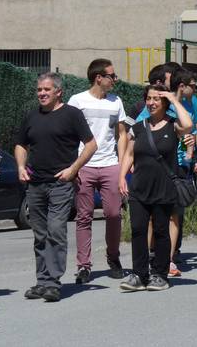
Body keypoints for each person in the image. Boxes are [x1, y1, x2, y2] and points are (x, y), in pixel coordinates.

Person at [16, 73, 98, 302]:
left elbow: (91, 145)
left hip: (60, 184)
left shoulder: (72, 115)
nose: (41, 93)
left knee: (55, 230)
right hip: (35, 184)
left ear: (58, 92)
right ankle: (42, 281)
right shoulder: (31, 116)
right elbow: (21, 144)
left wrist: (73, 170)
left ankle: (53, 282)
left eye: (46, 90)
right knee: (40, 234)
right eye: (39, 89)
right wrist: (21, 166)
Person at [119, 84, 192, 291]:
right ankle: (138, 274)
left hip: (164, 188)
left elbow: (188, 124)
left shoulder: (173, 126)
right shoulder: (138, 127)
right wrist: (121, 177)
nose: (151, 103)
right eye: (149, 99)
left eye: (156, 99)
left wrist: (174, 99)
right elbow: (130, 155)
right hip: (139, 188)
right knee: (138, 230)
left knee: (161, 231)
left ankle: (160, 274)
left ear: (164, 103)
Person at [136, 65, 197, 277]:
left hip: (179, 167)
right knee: (152, 218)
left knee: (174, 215)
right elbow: (135, 132)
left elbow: (196, 129)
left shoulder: (189, 104)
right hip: (155, 167)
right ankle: (150, 257)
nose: (163, 85)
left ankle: (169, 258)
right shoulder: (152, 107)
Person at [68, 59, 128, 284]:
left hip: (110, 164)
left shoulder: (116, 102)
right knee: (83, 216)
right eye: (112, 75)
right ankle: (84, 266)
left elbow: (122, 134)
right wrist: (73, 165)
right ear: (98, 78)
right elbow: (69, 134)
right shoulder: (77, 101)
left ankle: (114, 258)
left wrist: (122, 165)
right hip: (84, 166)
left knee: (114, 213)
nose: (115, 79)